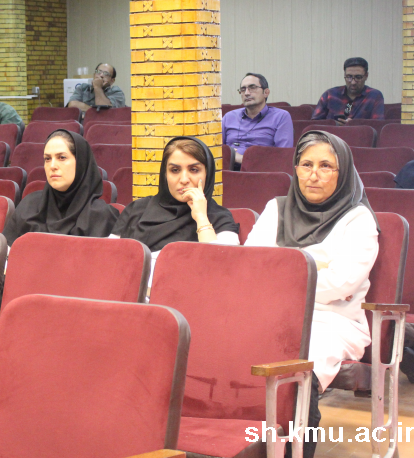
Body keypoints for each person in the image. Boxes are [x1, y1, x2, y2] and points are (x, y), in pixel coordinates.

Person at [245, 130, 380, 458]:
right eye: (306, 165)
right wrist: (314, 266)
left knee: (302, 365)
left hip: (331, 321)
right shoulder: (276, 208)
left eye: (325, 166)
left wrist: (282, 270)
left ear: (342, 172)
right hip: (268, 313)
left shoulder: (357, 219)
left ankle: (296, 449)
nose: (314, 175)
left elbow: (342, 284)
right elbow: (250, 266)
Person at [111, 136, 239, 281]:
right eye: (175, 170)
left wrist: (201, 218)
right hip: (131, 290)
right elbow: (109, 260)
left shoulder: (220, 217)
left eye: (194, 170)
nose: (184, 179)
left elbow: (222, 269)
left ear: (207, 174)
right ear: (165, 174)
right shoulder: (137, 209)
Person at [3, 129, 119, 246]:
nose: (52, 166)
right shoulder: (28, 207)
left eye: (62, 157)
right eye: (47, 159)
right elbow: (7, 253)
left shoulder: (102, 216)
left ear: (81, 162)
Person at [222, 73, 292, 167]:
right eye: (243, 89)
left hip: (262, 171)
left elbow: (283, 156)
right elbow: (215, 150)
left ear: (266, 92)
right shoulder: (229, 117)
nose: (246, 93)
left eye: (252, 88)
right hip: (228, 169)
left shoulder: (281, 117)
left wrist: (239, 158)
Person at [311, 57, 385, 123]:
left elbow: (377, 125)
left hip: (360, 134)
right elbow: (314, 124)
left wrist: (353, 125)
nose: (353, 82)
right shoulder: (329, 94)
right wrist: (335, 124)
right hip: (331, 133)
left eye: (358, 77)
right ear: (344, 75)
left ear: (366, 76)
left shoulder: (374, 95)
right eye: (349, 77)